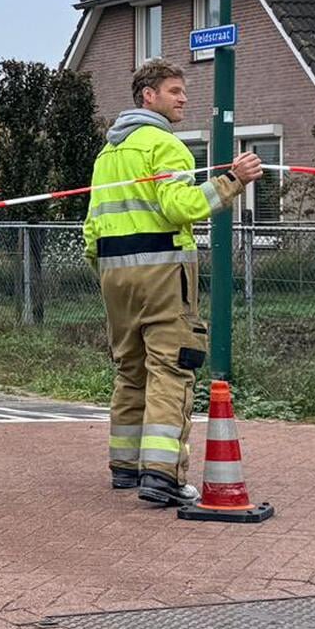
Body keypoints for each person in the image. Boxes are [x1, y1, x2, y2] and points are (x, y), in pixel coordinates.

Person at [84, 58, 263, 507]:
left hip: (114, 275)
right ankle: (162, 475)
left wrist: (109, 271)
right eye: (175, 91)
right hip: (163, 275)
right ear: (149, 96)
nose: (184, 98)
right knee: (171, 367)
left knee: (130, 369)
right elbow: (180, 207)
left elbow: (91, 227)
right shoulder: (167, 146)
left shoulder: (108, 153)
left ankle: (125, 467)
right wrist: (232, 182)